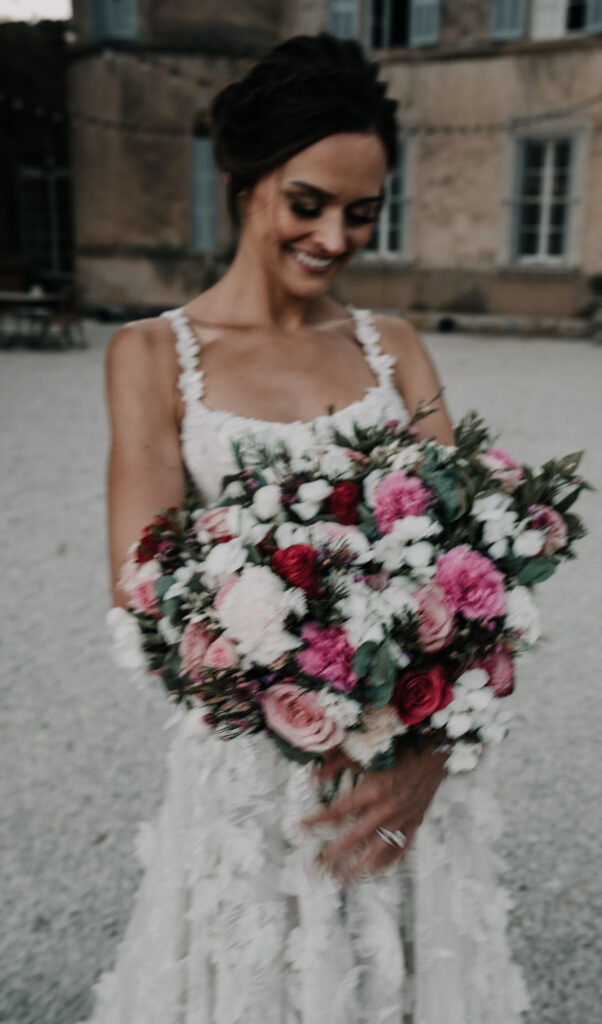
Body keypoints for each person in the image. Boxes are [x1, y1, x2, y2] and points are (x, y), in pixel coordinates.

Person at [84, 33, 530, 1024]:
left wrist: (428, 757)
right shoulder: (151, 353)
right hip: (250, 774)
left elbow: (475, 573)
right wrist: (294, 679)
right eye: (308, 202)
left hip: (402, 766)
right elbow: (144, 585)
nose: (335, 236)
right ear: (248, 180)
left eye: (361, 212)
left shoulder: (396, 348)